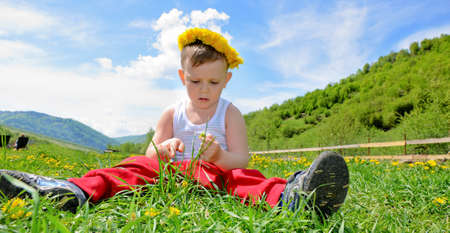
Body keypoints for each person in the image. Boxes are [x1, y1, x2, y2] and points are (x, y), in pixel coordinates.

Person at [0, 28, 349, 217]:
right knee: (132, 166)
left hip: (217, 174)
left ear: (226, 81)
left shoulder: (230, 112)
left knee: (245, 178)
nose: (204, 90)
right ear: (183, 76)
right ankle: (70, 191)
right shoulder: (172, 112)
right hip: (171, 177)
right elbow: (150, 152)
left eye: (213, 83)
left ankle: (295, 196)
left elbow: (242, 158)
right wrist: (162, 151)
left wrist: (219, 158)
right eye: (195, 81)